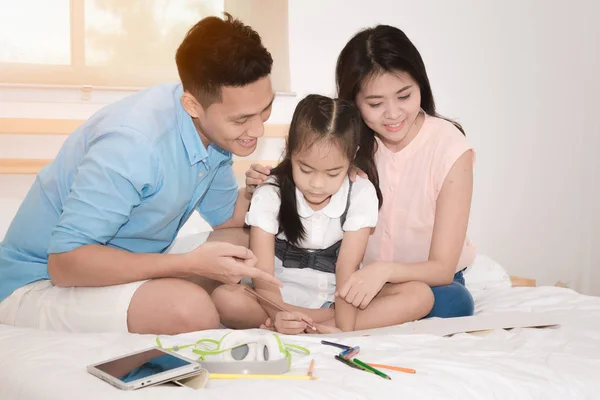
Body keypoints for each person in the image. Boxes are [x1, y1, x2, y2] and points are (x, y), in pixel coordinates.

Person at [0, 13, 281, 335]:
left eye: (266, 109)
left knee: (248, 241)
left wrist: (268, 188)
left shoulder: (210, 126)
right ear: (192, 105)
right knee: (189, 310)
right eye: (242, 119)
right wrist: (187, 264)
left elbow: (227, 219)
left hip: (128, 264)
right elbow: (65, 264)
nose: (258, 129)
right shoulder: (132, 144)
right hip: (39, 282)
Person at [246, 24, 475, 323]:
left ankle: (304, 319)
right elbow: (303, 182)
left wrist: (385, 271)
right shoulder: (346, 143)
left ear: (421, 85)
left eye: (404, 96)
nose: (392, 114)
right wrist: (265, 184)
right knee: (238, 271)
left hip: (420, 279)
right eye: (375, 103)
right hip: (347, 279)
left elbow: (443, 268)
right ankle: (320, 317)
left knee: (452, 303)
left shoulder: (450, 147)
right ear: (354, 101)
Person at [211, 94, 434, 334]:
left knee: (420, 295)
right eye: (305, 170)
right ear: (290, 149)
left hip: (336, 298)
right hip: (276, 299)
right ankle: (305, 325)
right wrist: (280, 314)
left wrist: (344, 329)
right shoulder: (270, 191)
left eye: (332, 173)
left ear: (352, 157)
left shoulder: (360, 192)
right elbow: (263, 275)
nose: (317, 184)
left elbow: (346, 270)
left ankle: (310, 326)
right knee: (225, 298)